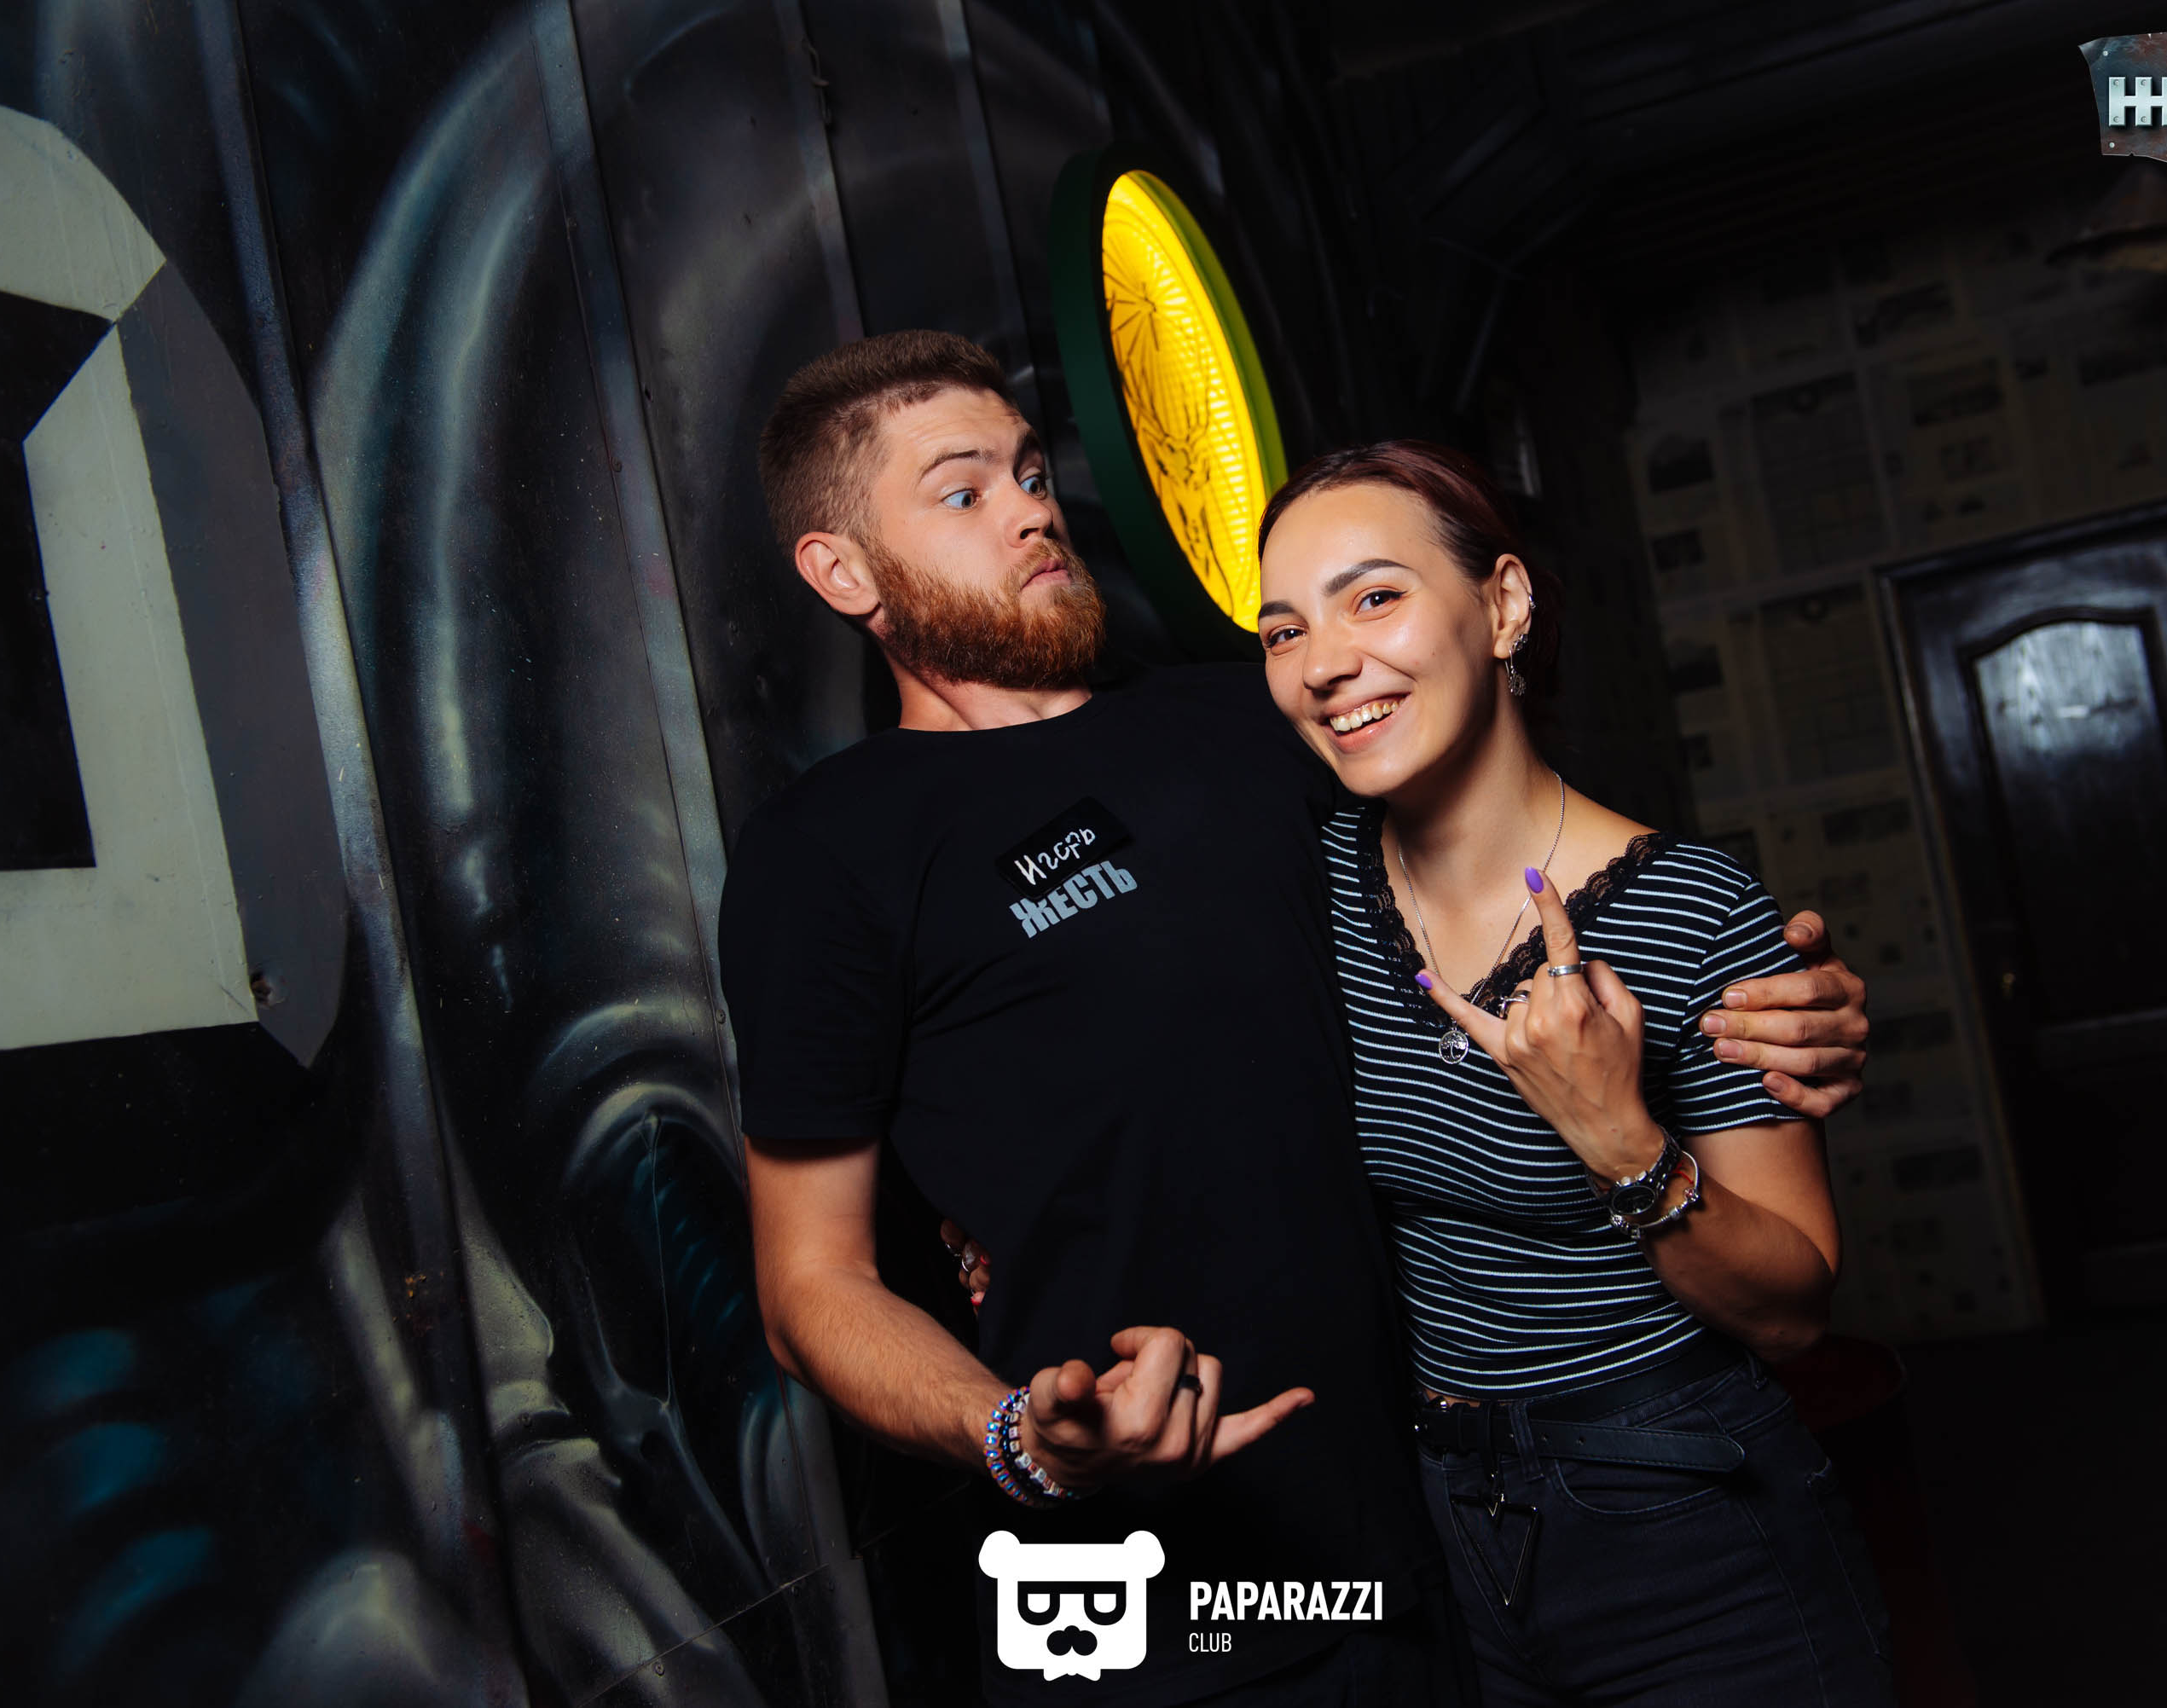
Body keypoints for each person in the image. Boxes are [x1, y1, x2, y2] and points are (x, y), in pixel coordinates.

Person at [718, 330, 1872, 1708]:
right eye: (962, 492)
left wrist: (1772, 996)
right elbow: (809, 1286)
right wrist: (1014, 1432)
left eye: (1028, 471)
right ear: (843, 573)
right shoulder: (823, 854)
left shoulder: (1263, 724)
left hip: (1434, 1535)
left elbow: (1495, 871)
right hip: (1155, 1604)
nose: (1030, 509)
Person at [1252, 440, 1894, 1706]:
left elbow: (1791, 1311)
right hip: (1442, 1521)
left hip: (1684, 1519)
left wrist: (1619, 1139)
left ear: (1504, 606)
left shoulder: (1692, 912)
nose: (1323, 663)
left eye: (1374, 597)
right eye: (1283, 631)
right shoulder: (1299, 892)